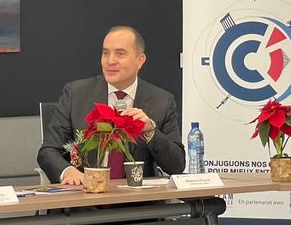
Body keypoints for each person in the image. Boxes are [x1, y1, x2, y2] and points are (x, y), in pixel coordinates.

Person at [37, 26, 186, 184]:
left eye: (120, 54)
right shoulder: (76, 94)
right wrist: (68, 172)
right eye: (106, 53)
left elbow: (176, 166)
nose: (110, 61)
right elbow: (48, 151)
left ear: (140, 60)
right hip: (86, 194)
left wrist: (150, 132)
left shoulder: (161, 101)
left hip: (137, 197)